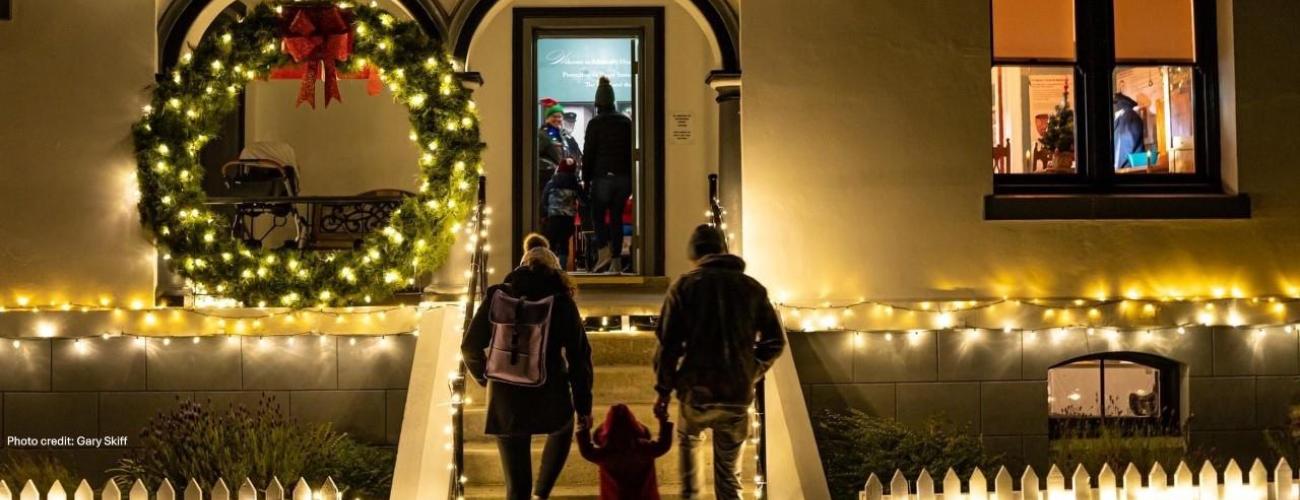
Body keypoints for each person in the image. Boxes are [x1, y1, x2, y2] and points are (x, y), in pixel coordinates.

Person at [652, 225, 787, 500]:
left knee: (690, 487)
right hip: (736, 394)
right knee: (729, 484)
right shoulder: (752, 288)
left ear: (695, 254)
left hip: (695, 392)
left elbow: (668, 346)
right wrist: (751, 370)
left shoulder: (685, 287)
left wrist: (664, 391)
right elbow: (775, 340)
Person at [462, 244, 593, 500]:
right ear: (555, 271)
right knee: (564, 427)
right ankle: (542, 493)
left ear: (521, 266)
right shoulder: (562, 302)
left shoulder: (498, 296)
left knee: (516, 486)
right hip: (550, 393)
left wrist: (486, 378)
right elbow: (580, 358)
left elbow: (469, 347)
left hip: (506, 397)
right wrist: (584, 407)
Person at [582, 76, 634, 274]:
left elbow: (589, 153)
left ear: (597, 102)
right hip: (623, 177)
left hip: (602, 175)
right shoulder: (625, 121)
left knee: (597, 213)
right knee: (616, 218)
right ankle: (617, 261)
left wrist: (586, 180)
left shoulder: (595, 123)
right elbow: (632, 151)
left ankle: (603, 249)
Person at [576, 403, 674, 500]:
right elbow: (663, 444)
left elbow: (586, 451)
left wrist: (584, 429)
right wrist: (663, 420)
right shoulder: (644, 448)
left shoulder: (606, 453)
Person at [540, 151, 583, 268]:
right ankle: (562, 269)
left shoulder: (552, 182)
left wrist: (544, 213)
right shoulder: (575, 184)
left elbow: (544, 198)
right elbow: (583, 200)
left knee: (551, 243)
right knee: (564, 243)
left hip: (553, 217)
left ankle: (550, 267)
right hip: (568, 219)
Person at [538, 99, 582, 205]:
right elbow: (534, 158)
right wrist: (551, 167)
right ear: (547, 118)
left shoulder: (564, 136)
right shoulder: (542, 135)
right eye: (554, 116)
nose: (557, 119)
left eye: (559, 116)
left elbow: (572, 155)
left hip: (561, 182)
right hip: (546, 181)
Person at [1113, 92, 1146, 169]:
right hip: (1129, 167)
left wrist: (1116, 167)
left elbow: (1123, 145)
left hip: (1128, 168)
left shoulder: (1128, 117)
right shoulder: (1126, 116)